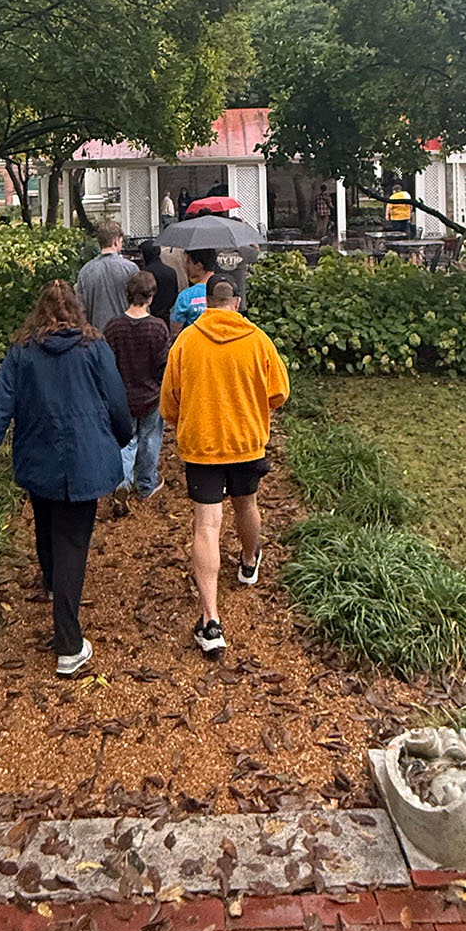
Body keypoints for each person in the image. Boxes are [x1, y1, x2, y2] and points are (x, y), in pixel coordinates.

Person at [0, 280, 132, 676]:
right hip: (86, 458)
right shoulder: (94, 347)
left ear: (38, 312)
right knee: (73, 542)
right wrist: (121, 437)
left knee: (46, 522)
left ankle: (54, 584)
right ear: (77, 309)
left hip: (40, 457)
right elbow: (117, 399)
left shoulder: (23, 353)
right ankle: (70, 646)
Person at [159, 276, 290, 656]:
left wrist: (185, 419)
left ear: (206, 302)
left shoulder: (186, 341)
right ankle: (249, 562)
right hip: (246, 441)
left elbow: (169, 401)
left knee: (207, 523)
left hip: (202, 445)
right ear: (236, 302)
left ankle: (211, 620)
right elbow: (279, 391)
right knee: (247, 504)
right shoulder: (257, 340)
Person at [104, 271, 171, 499]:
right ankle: (145, 484)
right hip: (151, 394)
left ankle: (122, 481)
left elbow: (107, 364)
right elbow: (164, 365)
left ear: (127, 294)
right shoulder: (158, 327)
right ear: (151, 297)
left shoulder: (113, 327)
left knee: (126, 439)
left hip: (123, 395)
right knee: (150, 438)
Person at [74, 220, 133, 329]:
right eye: (121, 241)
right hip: (125, 333)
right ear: (115, 241)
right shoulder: (130, 268)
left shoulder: (85, 271)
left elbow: (80, 309)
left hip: (97, 335)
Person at [169, 249, 217, 331]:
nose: (186, 266)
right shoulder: (224, 289)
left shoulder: (186, 296)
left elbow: (175, 330)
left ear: (199, 265)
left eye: (188, 262)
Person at [139, 239, 179, 324]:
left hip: (149, 316)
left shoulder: (145, 273)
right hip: (167, 315)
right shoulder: (171, 271)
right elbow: (175, 293)